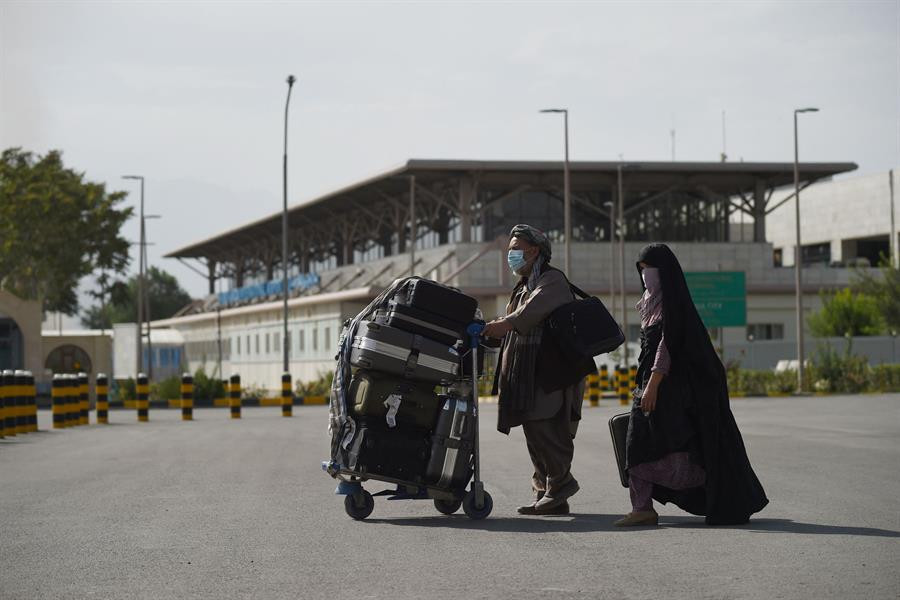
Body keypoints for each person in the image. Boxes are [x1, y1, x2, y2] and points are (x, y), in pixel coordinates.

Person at [616, 243, 768, 527]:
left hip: (668, 388)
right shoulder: (649, 302)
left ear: (666, 272)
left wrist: (652, 386)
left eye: (649, 269)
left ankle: (705, 480)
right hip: (649, 381)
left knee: (655, 443)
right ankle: (642, 507)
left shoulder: (673, 305)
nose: (645, 275)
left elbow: (666, 346)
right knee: (636, 440)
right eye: (641, 269)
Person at [483, 224, 589, 516]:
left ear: (535, 251)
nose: (511, 255)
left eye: (516, 249)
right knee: (532, 429)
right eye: (510, 250)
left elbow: (528, 314)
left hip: (551, 373)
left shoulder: (551, 281)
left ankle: (561, 483)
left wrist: (501, 324)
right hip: (527, 372)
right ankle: (546, 492)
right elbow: (512, 323)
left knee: (546, 428)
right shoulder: (524, 285)